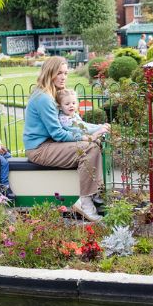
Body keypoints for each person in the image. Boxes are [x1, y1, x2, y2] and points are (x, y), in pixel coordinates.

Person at [23, 57, 106, 221]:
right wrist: (88, 137)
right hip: (39, 149)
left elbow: (74, 123)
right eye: (59, 73)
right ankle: (86, 201)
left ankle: (96, 193)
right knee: (89, 147)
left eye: (66, 73)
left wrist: (98, 128)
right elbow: (58, 134)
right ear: (49, 73)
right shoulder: (44, 98)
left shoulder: (53, 95)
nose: (63, 77)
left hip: (49, 144)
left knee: (94, 144)